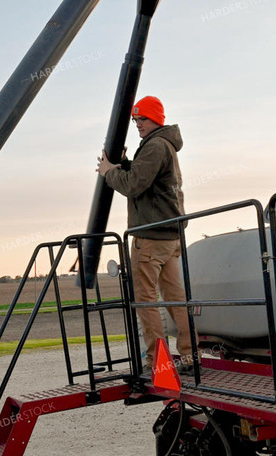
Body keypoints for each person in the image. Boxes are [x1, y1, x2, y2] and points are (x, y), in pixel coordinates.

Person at [96, 95, 196, 374]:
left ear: (157, 119)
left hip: (150, 239)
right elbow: (145, 179)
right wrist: (125, 164)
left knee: (146, 300)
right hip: (171, 238)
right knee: (177, 299)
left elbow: (134, 185)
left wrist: (108, 173)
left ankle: (157, 361)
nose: (138, 124)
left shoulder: (154, 147)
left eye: (143, 119)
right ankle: (189, 355)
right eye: (135, 120)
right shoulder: (165, 145)